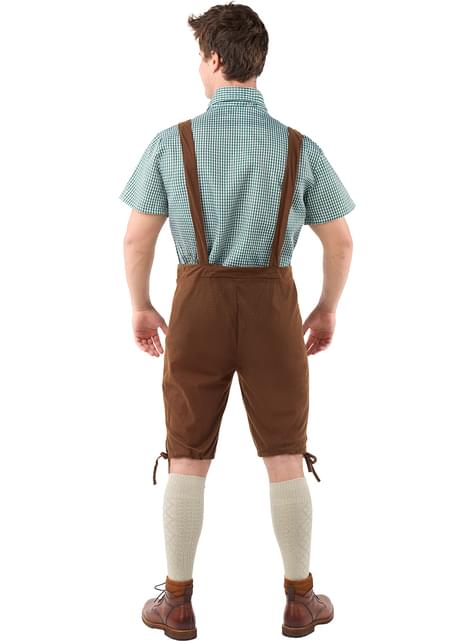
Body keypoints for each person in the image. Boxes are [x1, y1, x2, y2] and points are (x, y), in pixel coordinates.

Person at [119, 3, 355, 639]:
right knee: (285, 453)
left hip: (196, 305)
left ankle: (177, 602)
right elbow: (340, 242)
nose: (199, 68)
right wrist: (326, 307)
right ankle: (300, 600)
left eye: (201, 57)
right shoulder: (299, 147)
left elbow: (137, 238)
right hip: (274, 307)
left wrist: (141, 304)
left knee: (186, 453)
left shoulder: (171, 143)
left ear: (217, 58)